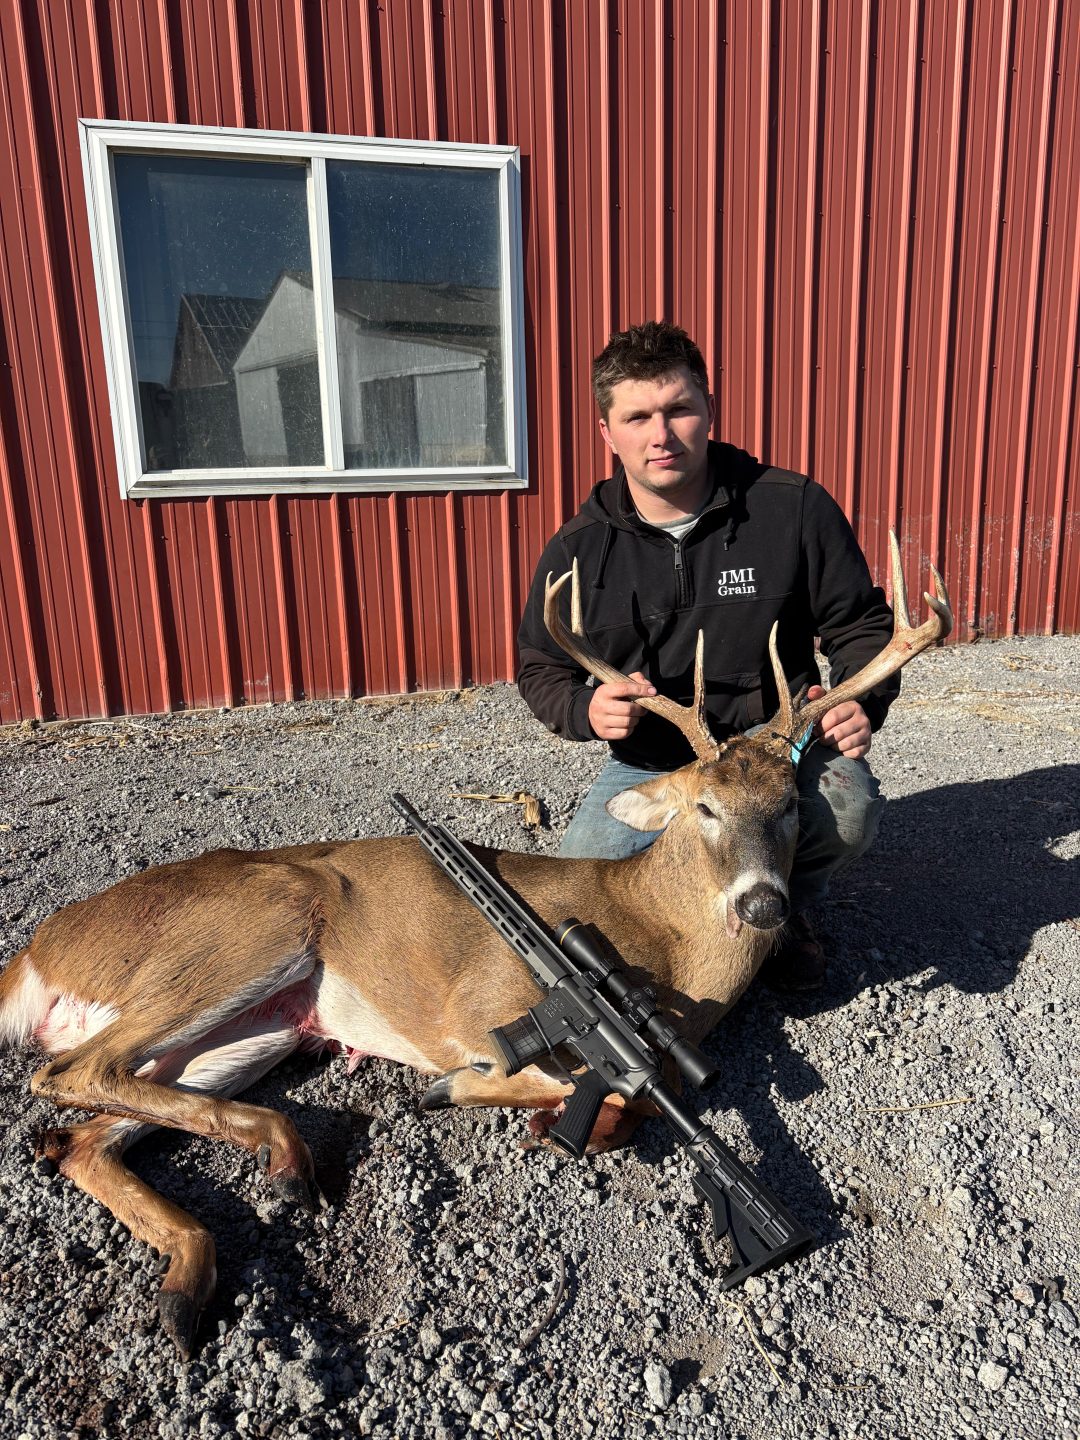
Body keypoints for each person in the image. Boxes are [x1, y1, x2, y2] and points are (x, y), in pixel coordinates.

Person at [516, 321, 898, 990]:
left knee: (847, 812)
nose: (661, 435)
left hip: (773, 746)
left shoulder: (790, 508)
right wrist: (585, 708)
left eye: (679, 409)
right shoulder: (580, 548)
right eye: (637, 417)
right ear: (608, 432)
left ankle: (787, 912)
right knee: (582, 886)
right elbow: (540, 667)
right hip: (659, 756)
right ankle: (702, 907)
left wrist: (859, 701)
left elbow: (861, 625)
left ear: (709, 409)